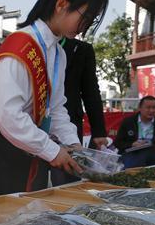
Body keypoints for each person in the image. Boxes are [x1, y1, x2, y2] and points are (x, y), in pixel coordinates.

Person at [0, 0, 109, 199]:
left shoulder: (58, 52)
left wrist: (74, 145)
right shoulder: (21, 44)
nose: (85, 26)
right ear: (62, 4)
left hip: (24, 141)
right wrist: (52, 150)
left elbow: (57, 107)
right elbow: (7, 114)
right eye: (86, 17)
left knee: (20, 215)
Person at [32, 35, 108, 189]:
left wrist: (99, 131)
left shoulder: (82, 49)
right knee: (34, 180)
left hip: (68, 121)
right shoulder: (32, 44)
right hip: (34, 123)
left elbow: (91, 91)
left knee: (67, 178)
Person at [113, 95, 155, 168]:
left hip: (152, 152)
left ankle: (133, 173)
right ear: (140, 108)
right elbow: (118, 142)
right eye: (148, 107)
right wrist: (132, 144)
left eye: (154, 108)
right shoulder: (128, 122)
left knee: (144, 155)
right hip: (132, 152)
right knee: (136, 158)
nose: (151, 111)